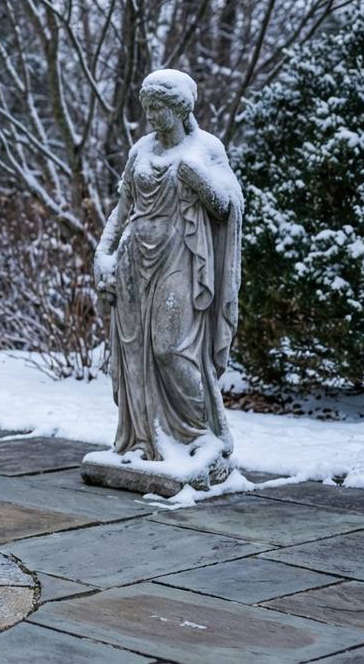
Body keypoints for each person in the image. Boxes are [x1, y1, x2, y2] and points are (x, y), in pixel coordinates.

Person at [94, 69, 243, 464]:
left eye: (158, 108)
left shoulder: (206, 149)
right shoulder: (141, 150)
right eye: (147, 108)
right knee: (134, 354)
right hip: (133, 259)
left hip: (180, 256)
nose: (151, 116)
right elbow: (122, 209)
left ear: (179, 109)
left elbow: (227, 207)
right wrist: (103, 253)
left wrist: (199, 179)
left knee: (169, 348)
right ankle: (144, 440)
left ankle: (201, 435)